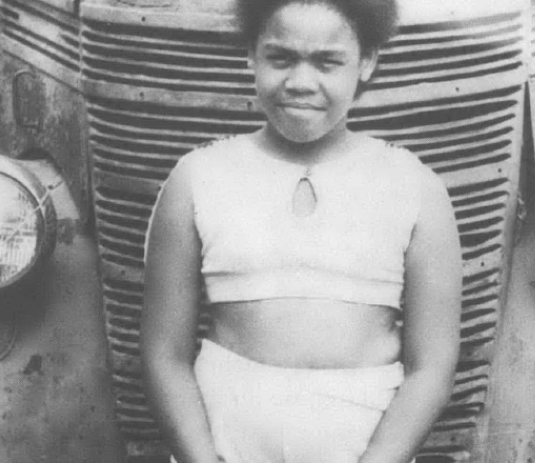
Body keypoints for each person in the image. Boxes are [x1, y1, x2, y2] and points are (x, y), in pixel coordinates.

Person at [141, 1, 462, 463]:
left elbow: (431, 367)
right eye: (280, 58)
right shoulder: (197, 177)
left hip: (364, 447)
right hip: (225, 443)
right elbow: (163, 354)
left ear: (367, 61)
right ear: (251, 54)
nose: (300, 83)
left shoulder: (415, 187)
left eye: (327, 62)